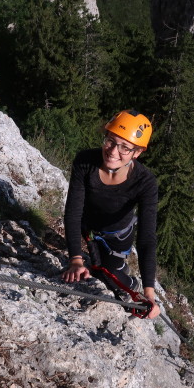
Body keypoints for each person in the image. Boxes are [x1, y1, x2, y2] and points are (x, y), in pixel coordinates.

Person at [62, 110, 161, 319]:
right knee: (94, 270)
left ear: (137, 153)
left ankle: (131, 282)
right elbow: (73, 212)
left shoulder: (145, 183)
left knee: (108, 275)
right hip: (88, 227)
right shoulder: (85, 161)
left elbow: (146, 239)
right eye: (110, 141)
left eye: (125, 147)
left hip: (117, 238)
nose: (114, 151)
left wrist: (148, 292)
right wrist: (76, 260)